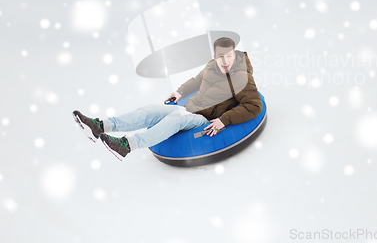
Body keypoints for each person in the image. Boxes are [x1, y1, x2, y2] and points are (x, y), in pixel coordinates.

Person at [72, 37, 262, 161]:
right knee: (148, 111)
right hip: (190, 107)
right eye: (221, 56)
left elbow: (254, 105)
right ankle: (100, 126)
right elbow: (197, 80)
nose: (225, 61)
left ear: (234, 54)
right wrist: (180, 92)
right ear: (215, 56)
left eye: (229, 56)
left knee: (174, 120)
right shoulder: (212, 65)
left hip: (205, 118)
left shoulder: (241, 76)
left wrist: (224, 120)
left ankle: (126, 146)